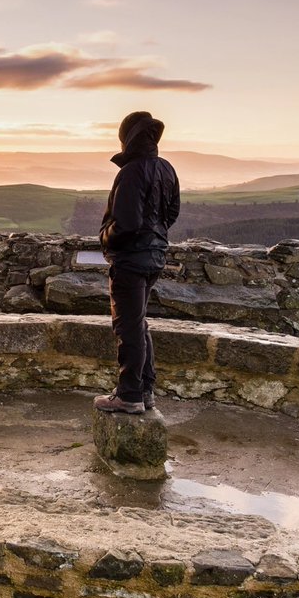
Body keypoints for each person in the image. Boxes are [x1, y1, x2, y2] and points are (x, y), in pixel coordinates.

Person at [93, 111, 180, 414]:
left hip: (130, 260)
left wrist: (106, 236)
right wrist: (154, 237)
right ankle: (145, 390)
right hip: (155, 257)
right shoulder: (166, 169)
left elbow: (127, 223)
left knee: (127, 326)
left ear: (127, 137)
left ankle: (129, 394)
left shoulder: (131, 172)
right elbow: (171, 214)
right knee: (139, 324)